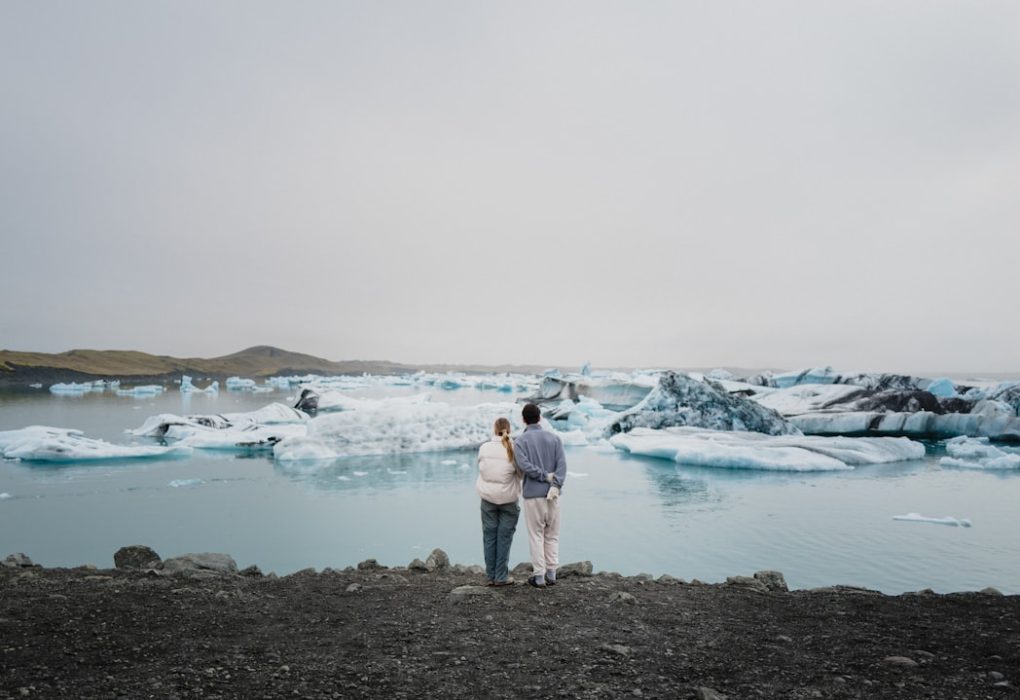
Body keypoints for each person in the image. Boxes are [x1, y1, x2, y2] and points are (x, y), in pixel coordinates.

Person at [512, 403, 567, 588]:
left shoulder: (520, 441)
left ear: (523, 419)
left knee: (536, 535)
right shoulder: (555, 439)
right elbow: (562, 465)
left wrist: (542, 475)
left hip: (533, 495)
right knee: (552, 534)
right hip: (553, 494)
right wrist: (555, 484)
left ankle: (539, 576)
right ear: (540, 417)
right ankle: (552, 573)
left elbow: (523, 465)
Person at [476, 417, 522, 586]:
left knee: (489, 536)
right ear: (509, 430)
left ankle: (490, 576)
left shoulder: (484, 448)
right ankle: (501, 577)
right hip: (508, 500)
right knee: (504, 538)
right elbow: (521, 473)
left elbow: (480, 467)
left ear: (494, 429)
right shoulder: (513, 448)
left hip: (487, 499)